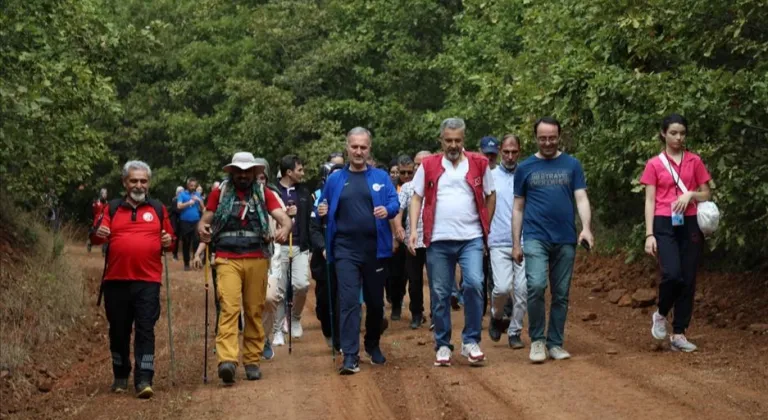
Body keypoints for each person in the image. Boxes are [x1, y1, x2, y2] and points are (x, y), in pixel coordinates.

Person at [408, 118, 496, 367]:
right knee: (440, 292)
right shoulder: (428, 165)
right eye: (448, 140)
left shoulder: (479, 163)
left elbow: (490, 195)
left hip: (471, 238)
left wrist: (485, 226)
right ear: (441, 141)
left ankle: (471, 341)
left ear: (463, 140)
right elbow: (416, 198)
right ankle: (443, 344)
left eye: (457, 140)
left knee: (475, 284)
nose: (453, 145)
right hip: (438, 239)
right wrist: (414, 230)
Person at [198, 152, 291, 385]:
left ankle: (251, 361)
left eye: (247, 171)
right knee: (229, 308)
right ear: (232, 172)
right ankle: (227, 361)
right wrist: (202, 229)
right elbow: (205, 220)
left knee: (253, 310)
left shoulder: (263, 193)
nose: (242, 175)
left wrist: (285, 228)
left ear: (254, 173)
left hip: (257, 257)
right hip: (227, 258)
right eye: (238, 171)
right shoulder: (219, 193)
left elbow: (284, 218)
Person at [89, 161, 175, 399]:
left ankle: (144, 378)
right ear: (124, 182)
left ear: (149, 183)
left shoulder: (158, 209)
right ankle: (120, 374)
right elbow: (95, 237)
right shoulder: (113, 208)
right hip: (116, 280)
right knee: (118, 330)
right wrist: (98, 234)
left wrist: (168, 241)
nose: (139, 185)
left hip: (148, 281)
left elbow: (171, 241)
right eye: (134, 180)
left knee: (146, 329)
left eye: (143, 181)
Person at [512, 116, 594, 364]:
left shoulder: (572, 165)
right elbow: (518, 207)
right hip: (535, 236)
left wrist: (586, 228)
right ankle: (537, 340)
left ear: (559, 137)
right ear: (535, 138)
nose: (547, 142)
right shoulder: (525, 167)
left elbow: (581, 198)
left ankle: (555, 342)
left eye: (552, 138)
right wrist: (516, 242)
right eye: (542, 138)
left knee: (561, 293)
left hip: (565, 237)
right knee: (536, 286)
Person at [318, 127, 399, 375]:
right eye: (354, 147)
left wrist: (388, 211)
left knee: (375, 303)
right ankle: (350, 356)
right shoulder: (335, 179)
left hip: (374, 248)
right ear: (347, 147)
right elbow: (322, 203)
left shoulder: (381, 177)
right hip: (345, 248)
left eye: (363, 147)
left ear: (369, 149)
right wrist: (322, 209)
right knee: (349, 301)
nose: (359, 151)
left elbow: (394, 202)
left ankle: (372, 343)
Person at [641, 114, 712, 352]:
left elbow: (706, 193)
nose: (678, 137)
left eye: (682, 133)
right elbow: (650, 200)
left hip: (691, 222)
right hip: (664, 221)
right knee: (672, 274)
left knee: (689, 278)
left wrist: (690, 195)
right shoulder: (654, 163)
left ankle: (679, 333)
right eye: (673, 133)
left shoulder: (694, 161)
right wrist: (649, 234)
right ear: (663, 134)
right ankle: (661, 314)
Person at [488, 134, 527, 349]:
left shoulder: (527, 174)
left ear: (519, 151)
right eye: (506, 152)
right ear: (500, 152)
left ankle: (514, 331)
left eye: (514, 152)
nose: (510, 156)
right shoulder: (490, 176)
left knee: (522, 290)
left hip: (523, 239)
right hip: (498, 239)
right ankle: (496, 315)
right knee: (502, 287)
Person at [271, 155, 313, 345]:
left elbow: (310, 220)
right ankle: (277, 329)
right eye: (300, 170)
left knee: (301, 285)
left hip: (300, 246)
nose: (302, 173)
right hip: (278, 247)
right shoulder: (272, 191)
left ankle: (294, 317)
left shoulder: (304, 192)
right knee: (279, 290)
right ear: (289, 172)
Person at [394, 151, 431, 329]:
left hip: (435, 241)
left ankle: (437, 316)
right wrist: (399, 228)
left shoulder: (439, 185)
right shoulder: (408, 187)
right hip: (413, 241)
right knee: (414, 280)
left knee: (437, 281)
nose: (420, 167)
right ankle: (417, 313)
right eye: (417, 164)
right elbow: (398, 210)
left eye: (424, 163)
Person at [311, 163, 344, 350]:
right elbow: (314, 229)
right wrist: (323, 248)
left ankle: (341, 341)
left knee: (343, 299)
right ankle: (328, 331)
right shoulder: (319, 201)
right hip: (324, 260)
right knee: (325, 301)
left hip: (345, 255)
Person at [177, 178, 205, 270]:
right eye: (191, 185)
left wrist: (199, 200)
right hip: (185, 221)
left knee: (196, 241)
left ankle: (196, 261)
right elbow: (179, 205)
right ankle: (186, 263)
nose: (193, 187)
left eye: (194, 186)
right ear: (187, 186)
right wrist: (189, 202)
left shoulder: (197, 194)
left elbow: (203, 209)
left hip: (196, 221)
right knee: (186, 242)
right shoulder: (182, 194)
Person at [88, 188, 109, 256]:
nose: (104, 195)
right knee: (95, 235)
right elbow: (93, 212)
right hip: (96, 221)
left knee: (106, 235)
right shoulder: (96, 203)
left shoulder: (107, 203)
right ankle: (90, 243)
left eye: (105, 194)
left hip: (104, 221)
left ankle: (104, 251)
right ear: (101, 194)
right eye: (103, 193)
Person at [169, 186, 184, 260]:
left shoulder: (183, 200)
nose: (181, 193)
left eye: (182, 191)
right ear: (177, 193)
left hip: (182, 220)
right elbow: (177, 210)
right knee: (175, 237)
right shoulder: (175, 200)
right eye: (180, 192)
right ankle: (174, 254)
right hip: (175, 221)